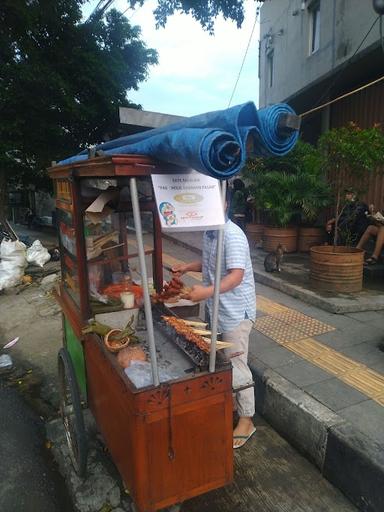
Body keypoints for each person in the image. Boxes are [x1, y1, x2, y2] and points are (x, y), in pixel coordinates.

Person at [172, 192, 256, 449]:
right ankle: (230, 405)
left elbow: (235, 276)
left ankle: (247, 420)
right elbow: (210, 266)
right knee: (220, 360)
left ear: (226, 204)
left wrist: (204, 292)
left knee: (237, 366)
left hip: (234, 314)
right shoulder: (210, 232)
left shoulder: (233, 235)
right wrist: (187, 267)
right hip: (215, 309)